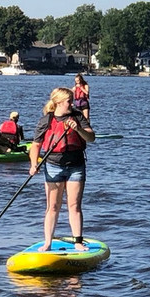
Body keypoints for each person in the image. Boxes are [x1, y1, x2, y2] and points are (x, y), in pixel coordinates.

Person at [29, 87, 94, 252]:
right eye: (69, 101)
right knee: (53, 206)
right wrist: (33, 164)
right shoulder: (46, 120)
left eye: (72, 100)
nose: (72, 104)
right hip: (53, 166)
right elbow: (36, 145)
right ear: (58, 102)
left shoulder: (77, 116)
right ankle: (47, 243)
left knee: (74, 205)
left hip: (76, 166)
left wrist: (78, 129)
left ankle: (78, 241)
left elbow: (91, 137)